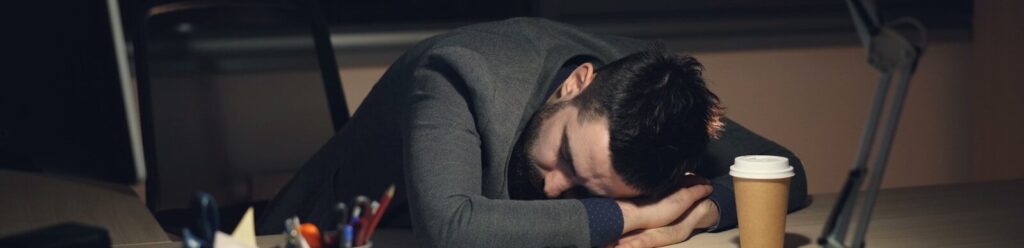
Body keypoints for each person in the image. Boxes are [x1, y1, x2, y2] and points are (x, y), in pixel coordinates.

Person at [256, 17, 808, 248]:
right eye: (564, 154)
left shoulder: (650, 103)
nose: (552, 187)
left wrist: (695, 216)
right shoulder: (460, 73)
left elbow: (785, 169)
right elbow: (452, 227)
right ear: (576, 84)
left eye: (588, 190)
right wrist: (632, 216)